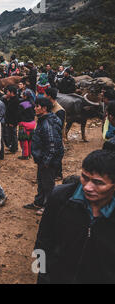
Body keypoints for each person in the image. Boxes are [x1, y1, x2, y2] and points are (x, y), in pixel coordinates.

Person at [34, 149, 115, 283]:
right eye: (85, 177)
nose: (88, 187)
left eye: (98, 182)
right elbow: (43, 242)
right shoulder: (60, 198)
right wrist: (42, 276)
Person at [24, 98, 64, 216]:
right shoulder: (43, 120)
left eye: (37, 106)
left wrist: (46, 161)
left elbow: (52, 145)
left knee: (48, 184)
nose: (35, 108)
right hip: (43, 159)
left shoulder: (47, 124)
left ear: (44, 108)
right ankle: (39, 202)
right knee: (41, 181)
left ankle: (48, 207)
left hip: (48, 161)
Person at [45, 87, 66, 180]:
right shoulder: (50, 106)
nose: (44, 96)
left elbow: (59, 126)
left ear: (49, 96)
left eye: (45, 94)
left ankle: (58, 174)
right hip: (50, 135)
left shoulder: (59, 110)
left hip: (56, 136)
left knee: (57, 155)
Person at [17, 89, 36, 160]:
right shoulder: (33, 103)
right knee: (30, 140)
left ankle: (25, 155)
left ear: (25, 96)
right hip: (32, 123)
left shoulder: (23, 104)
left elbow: (19, 114)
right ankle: (30, 153)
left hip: (24, 124)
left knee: (23, 140)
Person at [2, 85, 20, 154]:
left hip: (12, 121)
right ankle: (12, 147)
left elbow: (15, 113)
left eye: (7, 92)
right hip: (9, 120)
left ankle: (14, 149)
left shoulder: (15, 100)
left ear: (12, 92)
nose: (6, 93)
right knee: (11, 134)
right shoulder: (11, 99)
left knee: (13, 134)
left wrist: (12, 122)